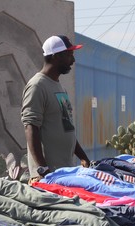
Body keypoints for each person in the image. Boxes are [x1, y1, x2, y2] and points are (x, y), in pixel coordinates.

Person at [21, 35, 90, 183]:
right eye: (69, 55)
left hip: (64, 171)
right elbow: (30, 128)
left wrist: (82, 156)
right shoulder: (37, 86)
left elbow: (67, 127)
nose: (73, 60)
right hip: (48, 176)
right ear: (55, 56)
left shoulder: (59, 86)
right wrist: (43, 169)